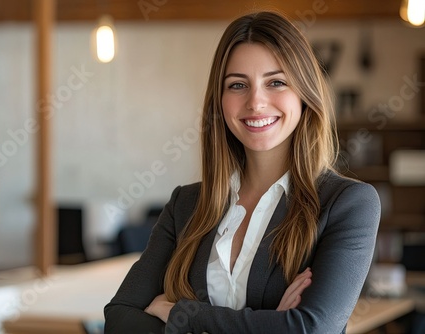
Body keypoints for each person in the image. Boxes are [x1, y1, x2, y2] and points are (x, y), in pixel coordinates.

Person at [104, 11, 380, 334]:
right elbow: (120, 319)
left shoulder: (348, 204)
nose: (256, 102)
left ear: (304, 94)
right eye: (237, 85)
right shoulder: (185, 205)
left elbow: (311, 329)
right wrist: (273, 324)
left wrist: (186, 315)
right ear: (219, 101)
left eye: (276, 82)